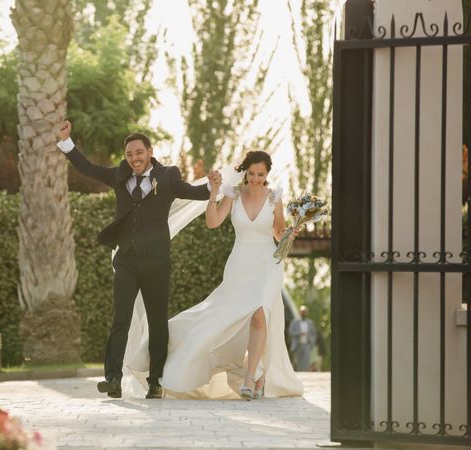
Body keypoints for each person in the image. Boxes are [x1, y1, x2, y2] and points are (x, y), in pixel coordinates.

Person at [56, 120, 221, 399]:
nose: (134, 159)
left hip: (156, 260)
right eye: (130, 154)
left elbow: (193, 193)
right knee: (120, 318)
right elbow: (88, 168)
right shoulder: (119, 175)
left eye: (139, 152)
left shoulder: (168, 176)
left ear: (150, 152)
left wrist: (213, 185)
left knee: (157, 321)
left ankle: (155, 381)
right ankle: (113, 379)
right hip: (127, 259)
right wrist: (66, 142)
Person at [127, 150, 304, 399]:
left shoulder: (275, 197)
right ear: (245, 172)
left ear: (267, 174)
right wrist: (213, 195)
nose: (255, 179)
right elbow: (213, 222)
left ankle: (249, 378)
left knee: (261, 314)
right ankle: (183, 362)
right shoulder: (234, 194)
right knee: (218, 318)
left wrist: (289, 234)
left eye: (260, 174)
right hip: (240, 264)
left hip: (267, 263)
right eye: (251, 174)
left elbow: (278, 231)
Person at [288, 305, 317, 372]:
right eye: (302, 312)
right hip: (298, 345)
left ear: (307, 313)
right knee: (298, 361)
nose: (303, 313)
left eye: (305, 312)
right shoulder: (294, 322)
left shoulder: (310, 323)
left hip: (307, 344)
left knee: (306, 360)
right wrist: (299, 333)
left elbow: (314, 334)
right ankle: (300, 374)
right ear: (300, 312)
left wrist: (312, 343)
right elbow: (291, 332)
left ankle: (306, 373)